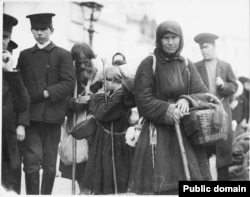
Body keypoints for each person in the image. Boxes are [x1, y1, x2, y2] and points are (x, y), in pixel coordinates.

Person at [128, 21, 212, 195]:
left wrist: (187, 100)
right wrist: (169, 109)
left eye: (174, 38)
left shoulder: (186, 64)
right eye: (166, 38)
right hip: (158, 136)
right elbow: (143, 100)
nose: (170, 42)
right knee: (161, 188)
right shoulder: (149, 63)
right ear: (159, 40)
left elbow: (205, 95)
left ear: (180, 39)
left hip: (186, 136)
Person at [16, 13, 75, 194]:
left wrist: (46, 93)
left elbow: (69, 84)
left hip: (52, 118)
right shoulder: (25, 55)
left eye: (44, 29)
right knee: (31, 163)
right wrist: (21, 121)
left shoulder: (63, 55)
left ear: (51, 30)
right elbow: (20, 89)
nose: (40, 33)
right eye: (36, 29)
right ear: (32, 30)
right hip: (31, 119)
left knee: (50, 165)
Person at [80, 66, 133, 194]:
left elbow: (103, 113)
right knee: (105, 176)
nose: (102, 83)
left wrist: (96, 97)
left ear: (114, 80)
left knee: (110, 176)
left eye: (105, 80)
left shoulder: (120, 95)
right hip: (108, 139)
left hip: (113, 142)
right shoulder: (114, 93)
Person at [194, 32, 238, 180]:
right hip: (204, 116)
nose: (204, 50)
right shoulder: (196, 67)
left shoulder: (225, 66)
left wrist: (223, 85)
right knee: (203, 156)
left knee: (223, 158)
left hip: (223, 115)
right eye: (201, 48)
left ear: (214, 47)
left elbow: (234, 87)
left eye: (206, 47)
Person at [2, 13, 30, 194]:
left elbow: (23, 103)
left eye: (6, 37)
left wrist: (11, 72)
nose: (3, 42)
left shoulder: (9, 69)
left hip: (6, 141)